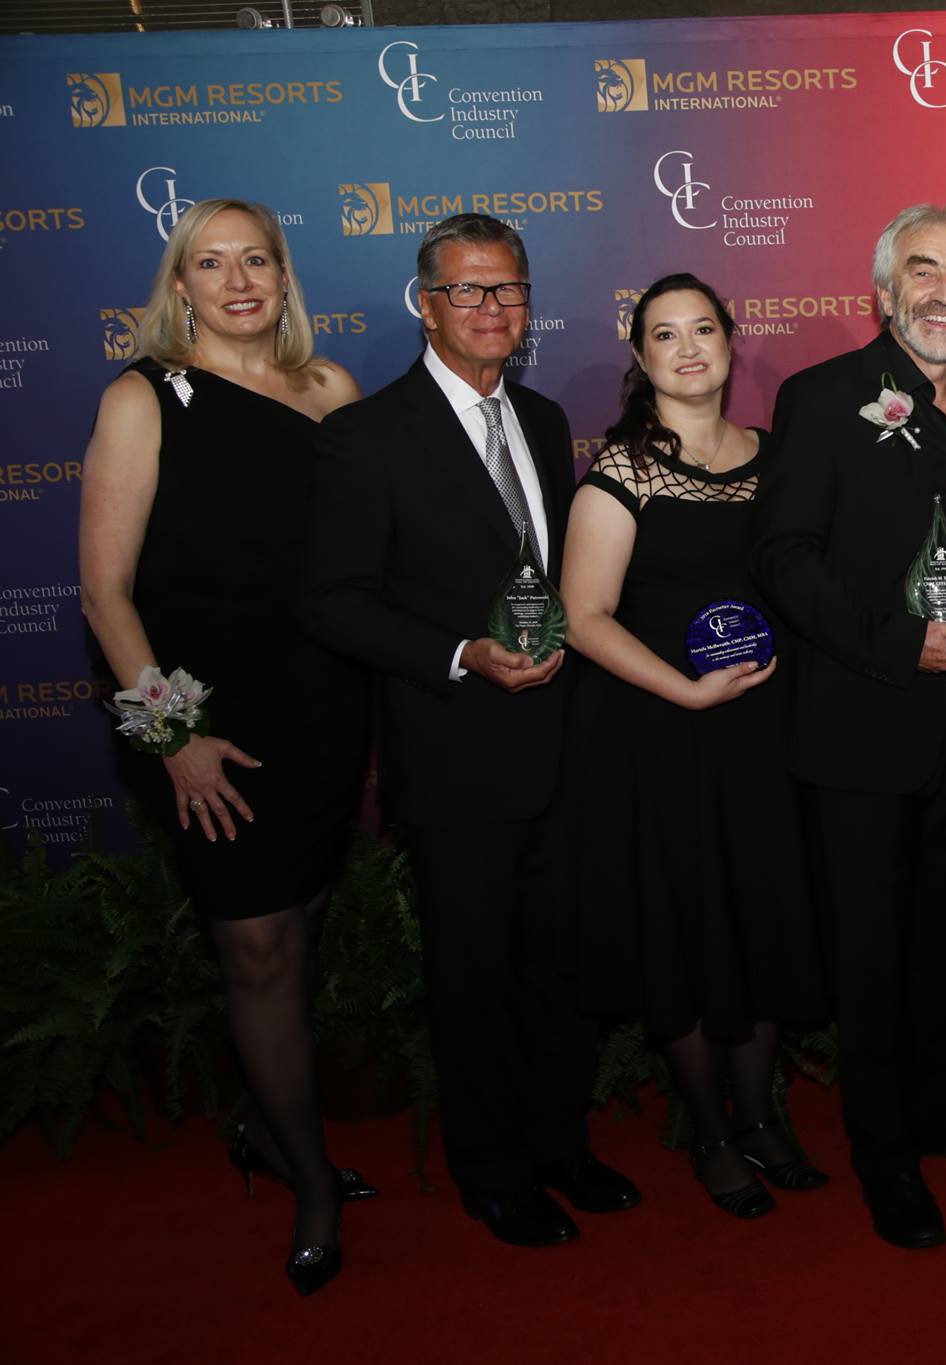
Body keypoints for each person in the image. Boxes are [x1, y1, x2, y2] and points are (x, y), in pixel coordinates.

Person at [304, 213, 640, 1249]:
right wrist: (461, 653)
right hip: (453, 753)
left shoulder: (542, 418)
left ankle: (560, 1145)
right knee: (473, 977)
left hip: (559, 747)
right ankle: (492, 1174)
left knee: (558, 966)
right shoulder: (367, 434)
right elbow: (334, 601)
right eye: (469, 290)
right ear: (427, 305)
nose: (493, 308)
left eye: (510, 290)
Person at [78, 197, 373, 1296]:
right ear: (181, 286)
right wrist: (176, 739)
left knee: (299, 926)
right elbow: (104, 595)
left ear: (285, 276)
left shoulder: (331, 389)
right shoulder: (141, 396)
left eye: (258, 260)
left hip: (323, 706)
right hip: (205, 718)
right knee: (254, 948)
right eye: (212, 263)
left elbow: (364, 558)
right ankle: (311, 1180)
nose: (239, 280)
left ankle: (261, 1123)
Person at [755, 202, 946, 1251]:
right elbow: (785, 557)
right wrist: (895, 643)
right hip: (856, 727)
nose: (943, 291)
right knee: (871, 952)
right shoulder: (820, 397)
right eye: (922, 270)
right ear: (883, 290)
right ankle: (883, 1153)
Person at [557, 274, 826, 1219]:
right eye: (664, 334)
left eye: (702, 328)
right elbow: (583, 616)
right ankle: (710, 1133)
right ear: (640, 356)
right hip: (662, 735)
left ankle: (760, 1115)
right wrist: (687, 691)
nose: (687, 348)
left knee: (761, 918)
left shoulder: (776, 458)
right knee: (685, 926)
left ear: (730, 340)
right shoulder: (622, 473)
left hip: (763, 736)